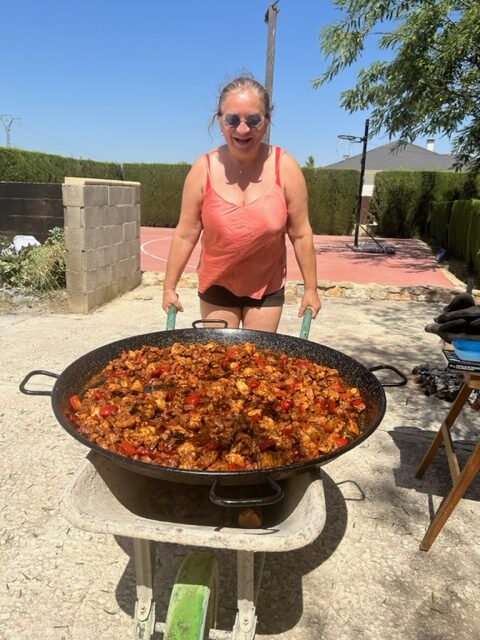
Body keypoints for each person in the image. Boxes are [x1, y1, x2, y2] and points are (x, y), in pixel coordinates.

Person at [162, 75, 321, 332]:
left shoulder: (286, 167)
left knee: (258, 365)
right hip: (217, 286)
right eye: (233, 120)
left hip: (266, 290)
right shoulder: (203, 169)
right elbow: (186, 233)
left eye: (254, 120)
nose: (243, 129)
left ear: (267, 121)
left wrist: (311, 289)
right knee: (217, 365)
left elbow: (301, 233)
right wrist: (169, 287)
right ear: (220, 120)